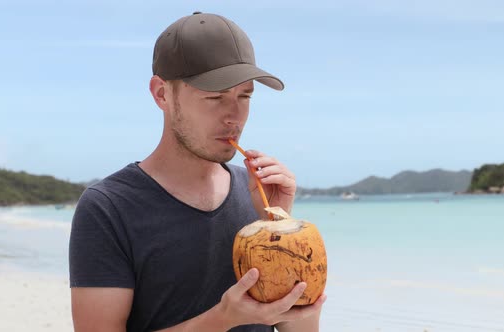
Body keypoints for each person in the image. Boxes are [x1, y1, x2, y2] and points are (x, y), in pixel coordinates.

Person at [69, 11, 326, 332]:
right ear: (162, 93)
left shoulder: (258, 193)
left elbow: (298, 327)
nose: (234, 116)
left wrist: (280, 228)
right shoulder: (108, 207)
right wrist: (223, 318)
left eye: (244, 96)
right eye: (214, 97)